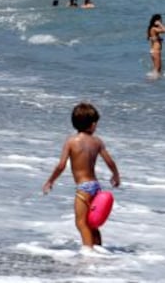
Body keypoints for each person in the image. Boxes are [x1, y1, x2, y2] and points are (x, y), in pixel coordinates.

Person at [43, 102, 120, 254]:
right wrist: (115, 175)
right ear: (92, 124)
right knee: (93, 223)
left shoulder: (71, 141)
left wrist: (50, 180)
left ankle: (88, 253)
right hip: (95, 186)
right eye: (96, 122)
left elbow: (61, 165)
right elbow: (110, 161)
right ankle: (98, 248)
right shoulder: (97, 142)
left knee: (81, 223)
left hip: (83, 188)